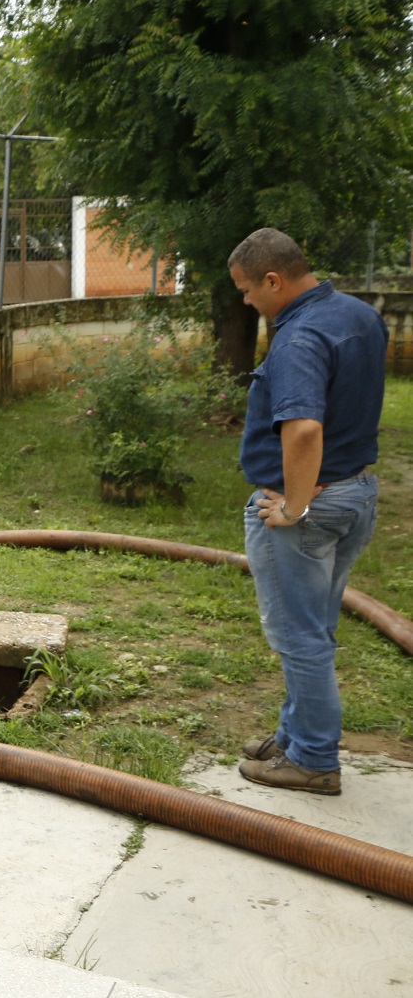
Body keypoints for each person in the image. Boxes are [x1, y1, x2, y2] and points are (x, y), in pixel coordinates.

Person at [231, 228, 387, 796]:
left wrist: (294, 506)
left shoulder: (297, 338)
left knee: (298, 636)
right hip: (357, 493)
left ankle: (315, 760)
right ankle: (296, 737)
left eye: (248, 291)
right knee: (315, 628)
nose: (247, 302)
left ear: (274, 280)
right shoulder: (359, 316)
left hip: (311, 506)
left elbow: (303, 429)